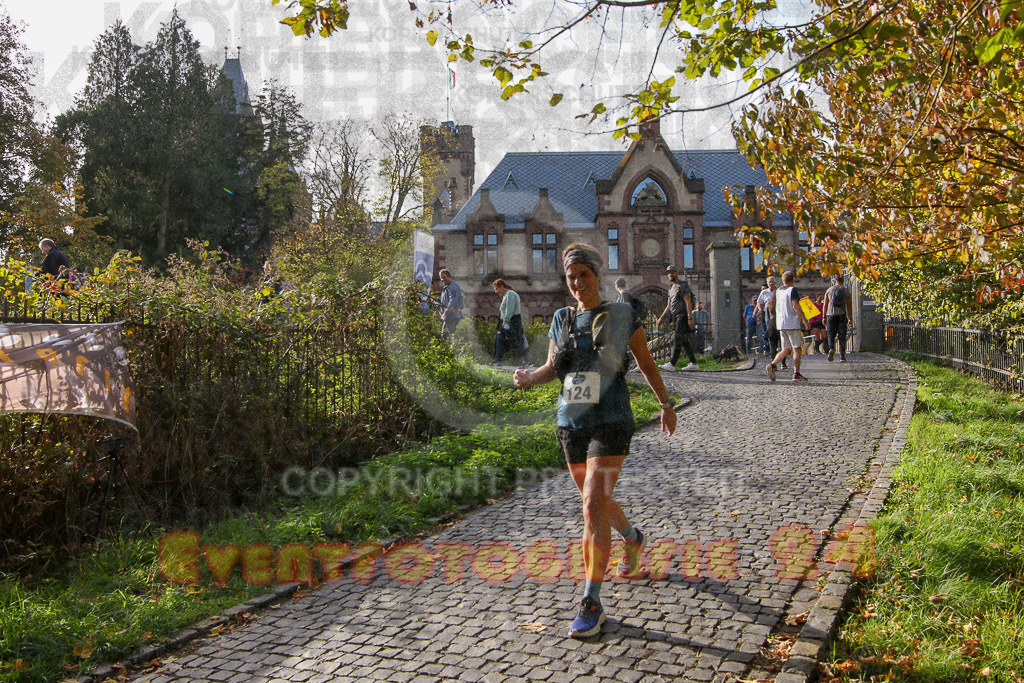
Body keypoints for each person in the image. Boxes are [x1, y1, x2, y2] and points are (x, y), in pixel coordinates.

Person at [512, 242, 676, 638]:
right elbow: (553, 367)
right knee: (597, 502)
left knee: (591, 503)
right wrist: (529, 377)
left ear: (597, 276)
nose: (577, 283)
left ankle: (591, 600)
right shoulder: (562, 319)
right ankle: (633, 538)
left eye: (583, 275)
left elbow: (645, 361)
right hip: (571, 421)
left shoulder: (622, 313)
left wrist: (666, 404)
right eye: (571, 278)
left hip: (612, 420)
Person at [766, 271, 809, 382]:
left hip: (781, 323)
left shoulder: (778, 290)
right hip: (792, 323)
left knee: (785, 349)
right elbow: (795, 306)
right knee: (797, 349)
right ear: (793, 280)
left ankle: (773, 364)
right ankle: (796, 373)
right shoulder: (792, 290)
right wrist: (804, 320)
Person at [655, 265, 699, 372]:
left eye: (672, 272)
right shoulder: (671, 288)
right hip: (675, 316)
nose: (670, 274)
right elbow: (669, 306)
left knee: (677, 338)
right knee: (684, 340)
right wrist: (661, 318)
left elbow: (688, 302)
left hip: (682, 315)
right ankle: (694, 363)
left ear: (676, 273)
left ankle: (672, 364)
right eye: (668, 273)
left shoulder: (682, 285)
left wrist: (690, 318)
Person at [493, 278, 530, 367]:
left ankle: (527, 361)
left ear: (501, 286)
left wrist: (505, 321)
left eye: (496, 289)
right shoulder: (506, 295)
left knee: (517, 340)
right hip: (506, 321)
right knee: (500, 339)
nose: (496, 291)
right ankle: (498, 360)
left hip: (512, 321)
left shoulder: (510, 294)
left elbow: (509, 309)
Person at [755, 276, 785, 368]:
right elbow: (759, 302)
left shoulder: (779, 291)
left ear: (775, 283)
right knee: (771, 336)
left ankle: (781, 362)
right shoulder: (764, 292)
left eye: (772, 282)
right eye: (769, 283)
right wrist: (760, 309)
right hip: (768, 316)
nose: (770, 284)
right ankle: (773, 357)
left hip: (779, 316)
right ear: (767, 284)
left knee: (780, 339)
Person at [823, 274, 853, 362]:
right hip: (842, 315)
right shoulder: (845, 290)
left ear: (835, 281)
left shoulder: (829, 290)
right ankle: (842, 356)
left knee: (831, 334)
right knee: (842, 335)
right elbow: (849, 305)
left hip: (830, 315)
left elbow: (825, 304)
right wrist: (850, 318)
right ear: (842, 281)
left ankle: (831, 348)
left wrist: (824, 316)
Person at [438, 269, 465, 340]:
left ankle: (451, 350)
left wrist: (445, 313)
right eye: (441, 278)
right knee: (448, 337)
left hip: (452, 317)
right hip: (450, 317)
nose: (443, 279)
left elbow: (453, 300)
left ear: (450, 277)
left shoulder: (452, 287)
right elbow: (446, 301)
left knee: (447, 337)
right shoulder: (447, 288)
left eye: (444, 277)